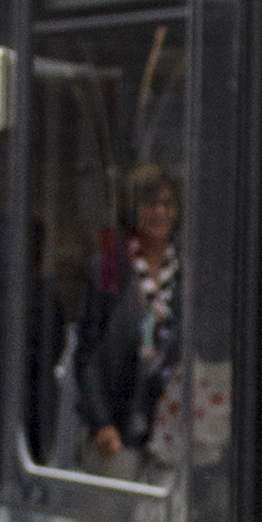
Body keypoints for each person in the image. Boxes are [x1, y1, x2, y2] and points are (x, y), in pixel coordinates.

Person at [74, 162, 187, 476]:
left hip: (172, 435)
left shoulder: (185, 272)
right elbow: (87, 353)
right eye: (150, 203)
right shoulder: (111, 266)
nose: (159, 212)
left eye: (168, 204)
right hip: (115, 433)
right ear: (133, 209)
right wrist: (100, 422)